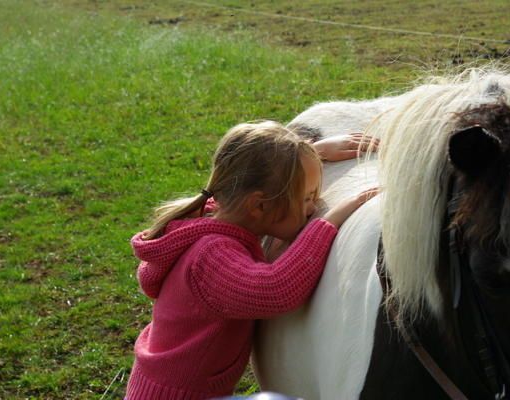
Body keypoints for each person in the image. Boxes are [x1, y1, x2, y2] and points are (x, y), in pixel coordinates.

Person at [125, 121, 379, 400]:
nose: (312, 208)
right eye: (307, 198)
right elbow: (275, 290)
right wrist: (329, 221)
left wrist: (313, 153)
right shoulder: (211, 257)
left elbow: (257, 177)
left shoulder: (211, 218)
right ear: (260, 205)